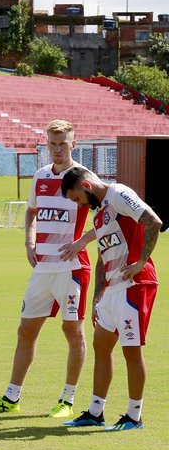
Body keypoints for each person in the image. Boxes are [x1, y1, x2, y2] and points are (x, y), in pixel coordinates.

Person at [0, 120, 90, 417]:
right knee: (26, 330)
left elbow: (107, 216)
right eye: (52, 144)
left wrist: (82, 242)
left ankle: (67, 400)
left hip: (71, 268)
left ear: (73, 144)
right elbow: (31, 212)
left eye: (62, 144)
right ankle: (11, 397)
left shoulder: (84, 177)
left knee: (72, 331)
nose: (56, 149)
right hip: (42, 268)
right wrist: (29, 243)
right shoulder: (40, 176)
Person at [60, 167, 161, 431]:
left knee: (131, 350)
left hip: (135, 283)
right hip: (112, 288)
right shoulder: (99, 214)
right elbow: (102, 260)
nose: (79, 204)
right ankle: (95, 412)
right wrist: (96, 297)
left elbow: (153, 221)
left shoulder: (118, 194)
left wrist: (140, 262)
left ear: (86, 185)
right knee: (101, 345)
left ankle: (134, 416)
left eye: (77, 198)